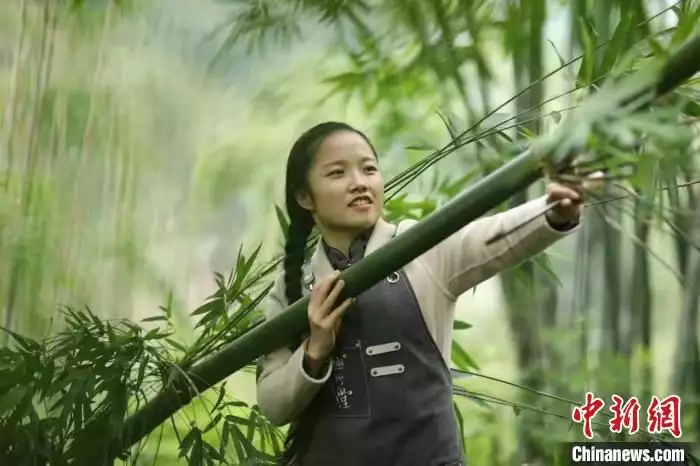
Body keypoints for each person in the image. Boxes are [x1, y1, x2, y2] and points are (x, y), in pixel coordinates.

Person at [255, 122, 584, 466]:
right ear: (304, 196)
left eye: (369, 169)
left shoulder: (419, 248)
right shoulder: (293, 286)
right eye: (337, 173)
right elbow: (274, 405)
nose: (360, 183)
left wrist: (554, 211)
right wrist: (315, 351)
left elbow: (493, 236)